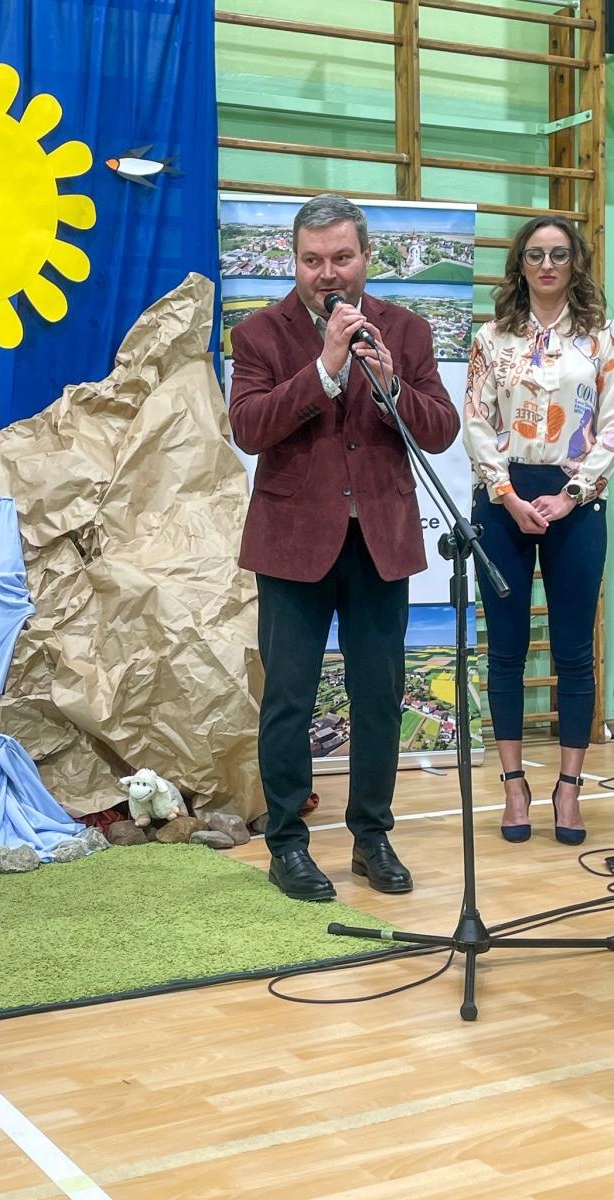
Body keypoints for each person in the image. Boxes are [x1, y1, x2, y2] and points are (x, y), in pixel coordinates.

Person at [228, 194, 459, 900]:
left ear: (366, 257)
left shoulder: (406, 331)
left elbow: (441, 428)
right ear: (292, 261)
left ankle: (371, 836)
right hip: (293, 542)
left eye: (341, 258)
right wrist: (325, 370)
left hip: (381, 541)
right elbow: (248, 427)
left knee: (381, 696)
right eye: (312, 260)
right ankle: (288, 846)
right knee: (290, 699)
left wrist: (389, 381)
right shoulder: (261, 335)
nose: (327, 274)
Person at [463, 215, 614, 846]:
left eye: (558, 254)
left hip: (576, 500)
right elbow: (474, 419)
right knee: (505, 648)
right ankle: (515, 785)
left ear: (575, 263)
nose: (547, 264)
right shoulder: (490, 339)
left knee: (577, 650)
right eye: (534, 255)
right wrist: (506, 493)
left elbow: (610, 426)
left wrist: (572, 494)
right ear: (519, 266)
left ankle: (569, 788)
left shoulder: (603, 341)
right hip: (502, 500)